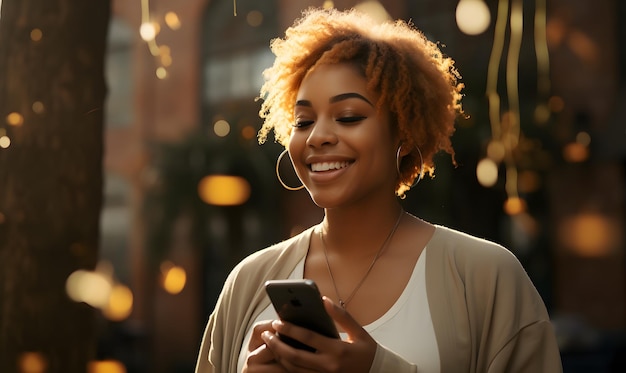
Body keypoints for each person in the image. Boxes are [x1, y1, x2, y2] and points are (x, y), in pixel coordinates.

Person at [195, 6, 562, 373]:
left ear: (402, 132)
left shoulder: (486, 277)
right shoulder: (248, 282)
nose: (318, 137)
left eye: (349, 117)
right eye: (303, 121)